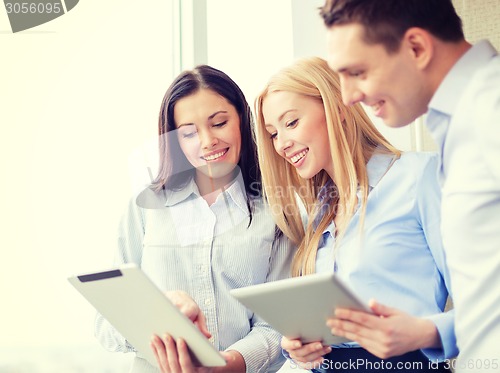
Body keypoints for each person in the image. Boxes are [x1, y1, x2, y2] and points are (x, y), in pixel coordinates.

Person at [320, 1, 500, 371]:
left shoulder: (490, 109)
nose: (348, 95)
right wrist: (429, 332)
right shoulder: (460, 124)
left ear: (416, 47)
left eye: (357, 72)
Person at [254, 57, 457, 373]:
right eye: (273, 133)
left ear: (337, 108)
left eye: (291, 123)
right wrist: (297, 349)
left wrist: (425, 332)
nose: (281, 144)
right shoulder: (318, 215)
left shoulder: (421, 177)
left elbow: (487, 307)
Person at [95, 65, 294, 373]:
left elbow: (276, 326)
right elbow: (106, 323)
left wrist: (228, 365)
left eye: (219, 123)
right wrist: (160, 312)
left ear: (242, 120)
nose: (207, 141)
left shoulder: (277, 212)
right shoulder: (145, 208)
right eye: (188, 133)